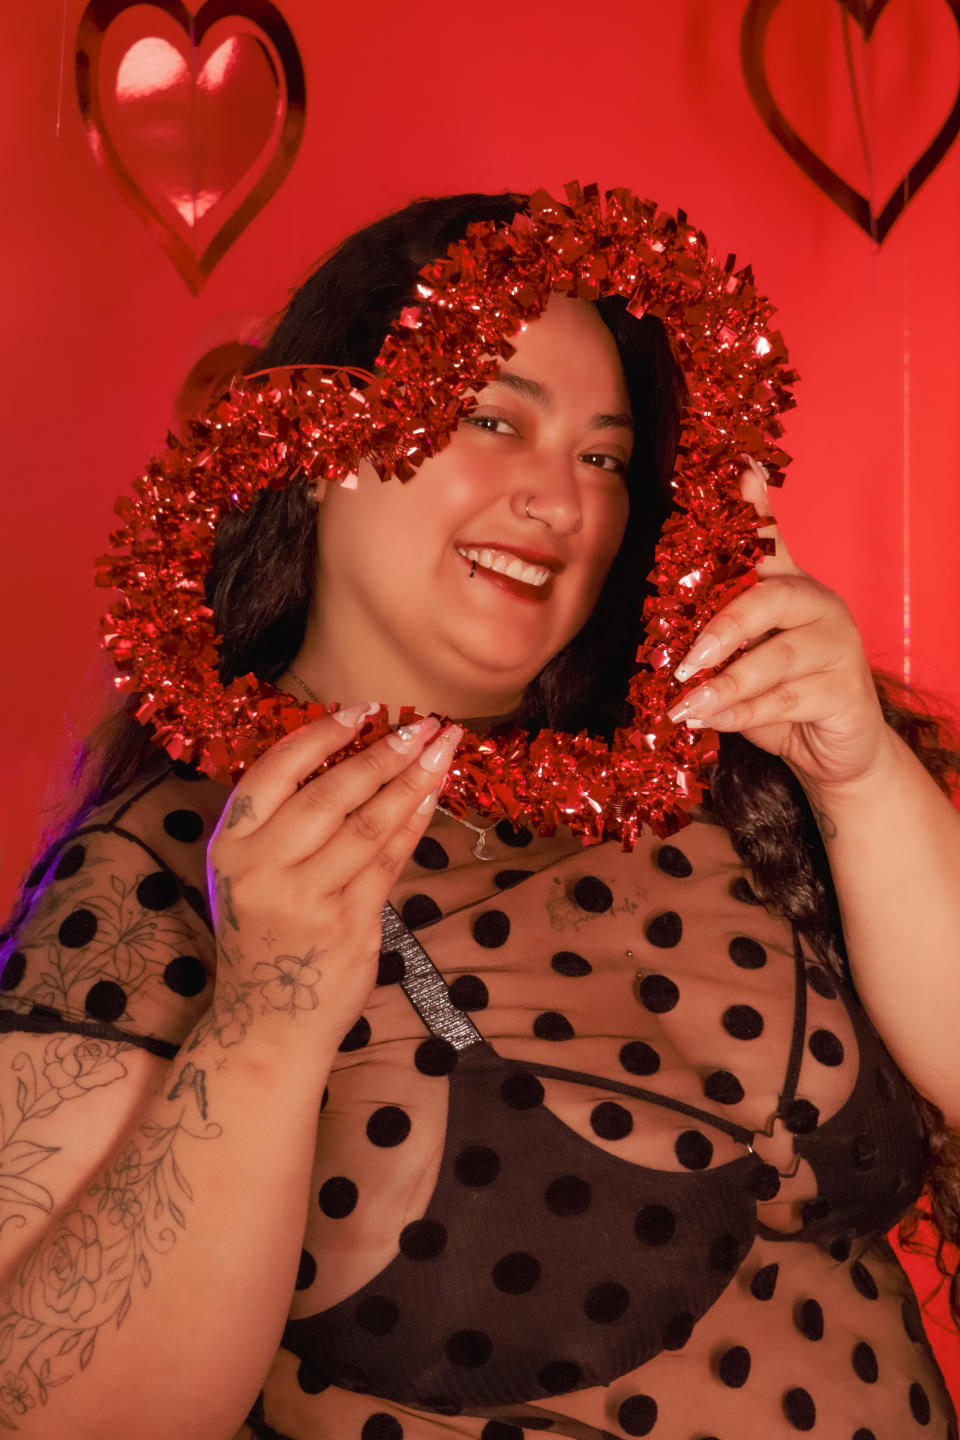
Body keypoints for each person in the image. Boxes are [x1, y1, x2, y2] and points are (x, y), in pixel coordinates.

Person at [0, 189, 958, 1440]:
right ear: (322, 442)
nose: (561, 502)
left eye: (604, 458)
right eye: (494, 419)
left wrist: (859, 775)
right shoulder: (166, 871)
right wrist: (268, 1019)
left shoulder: (727, 782)